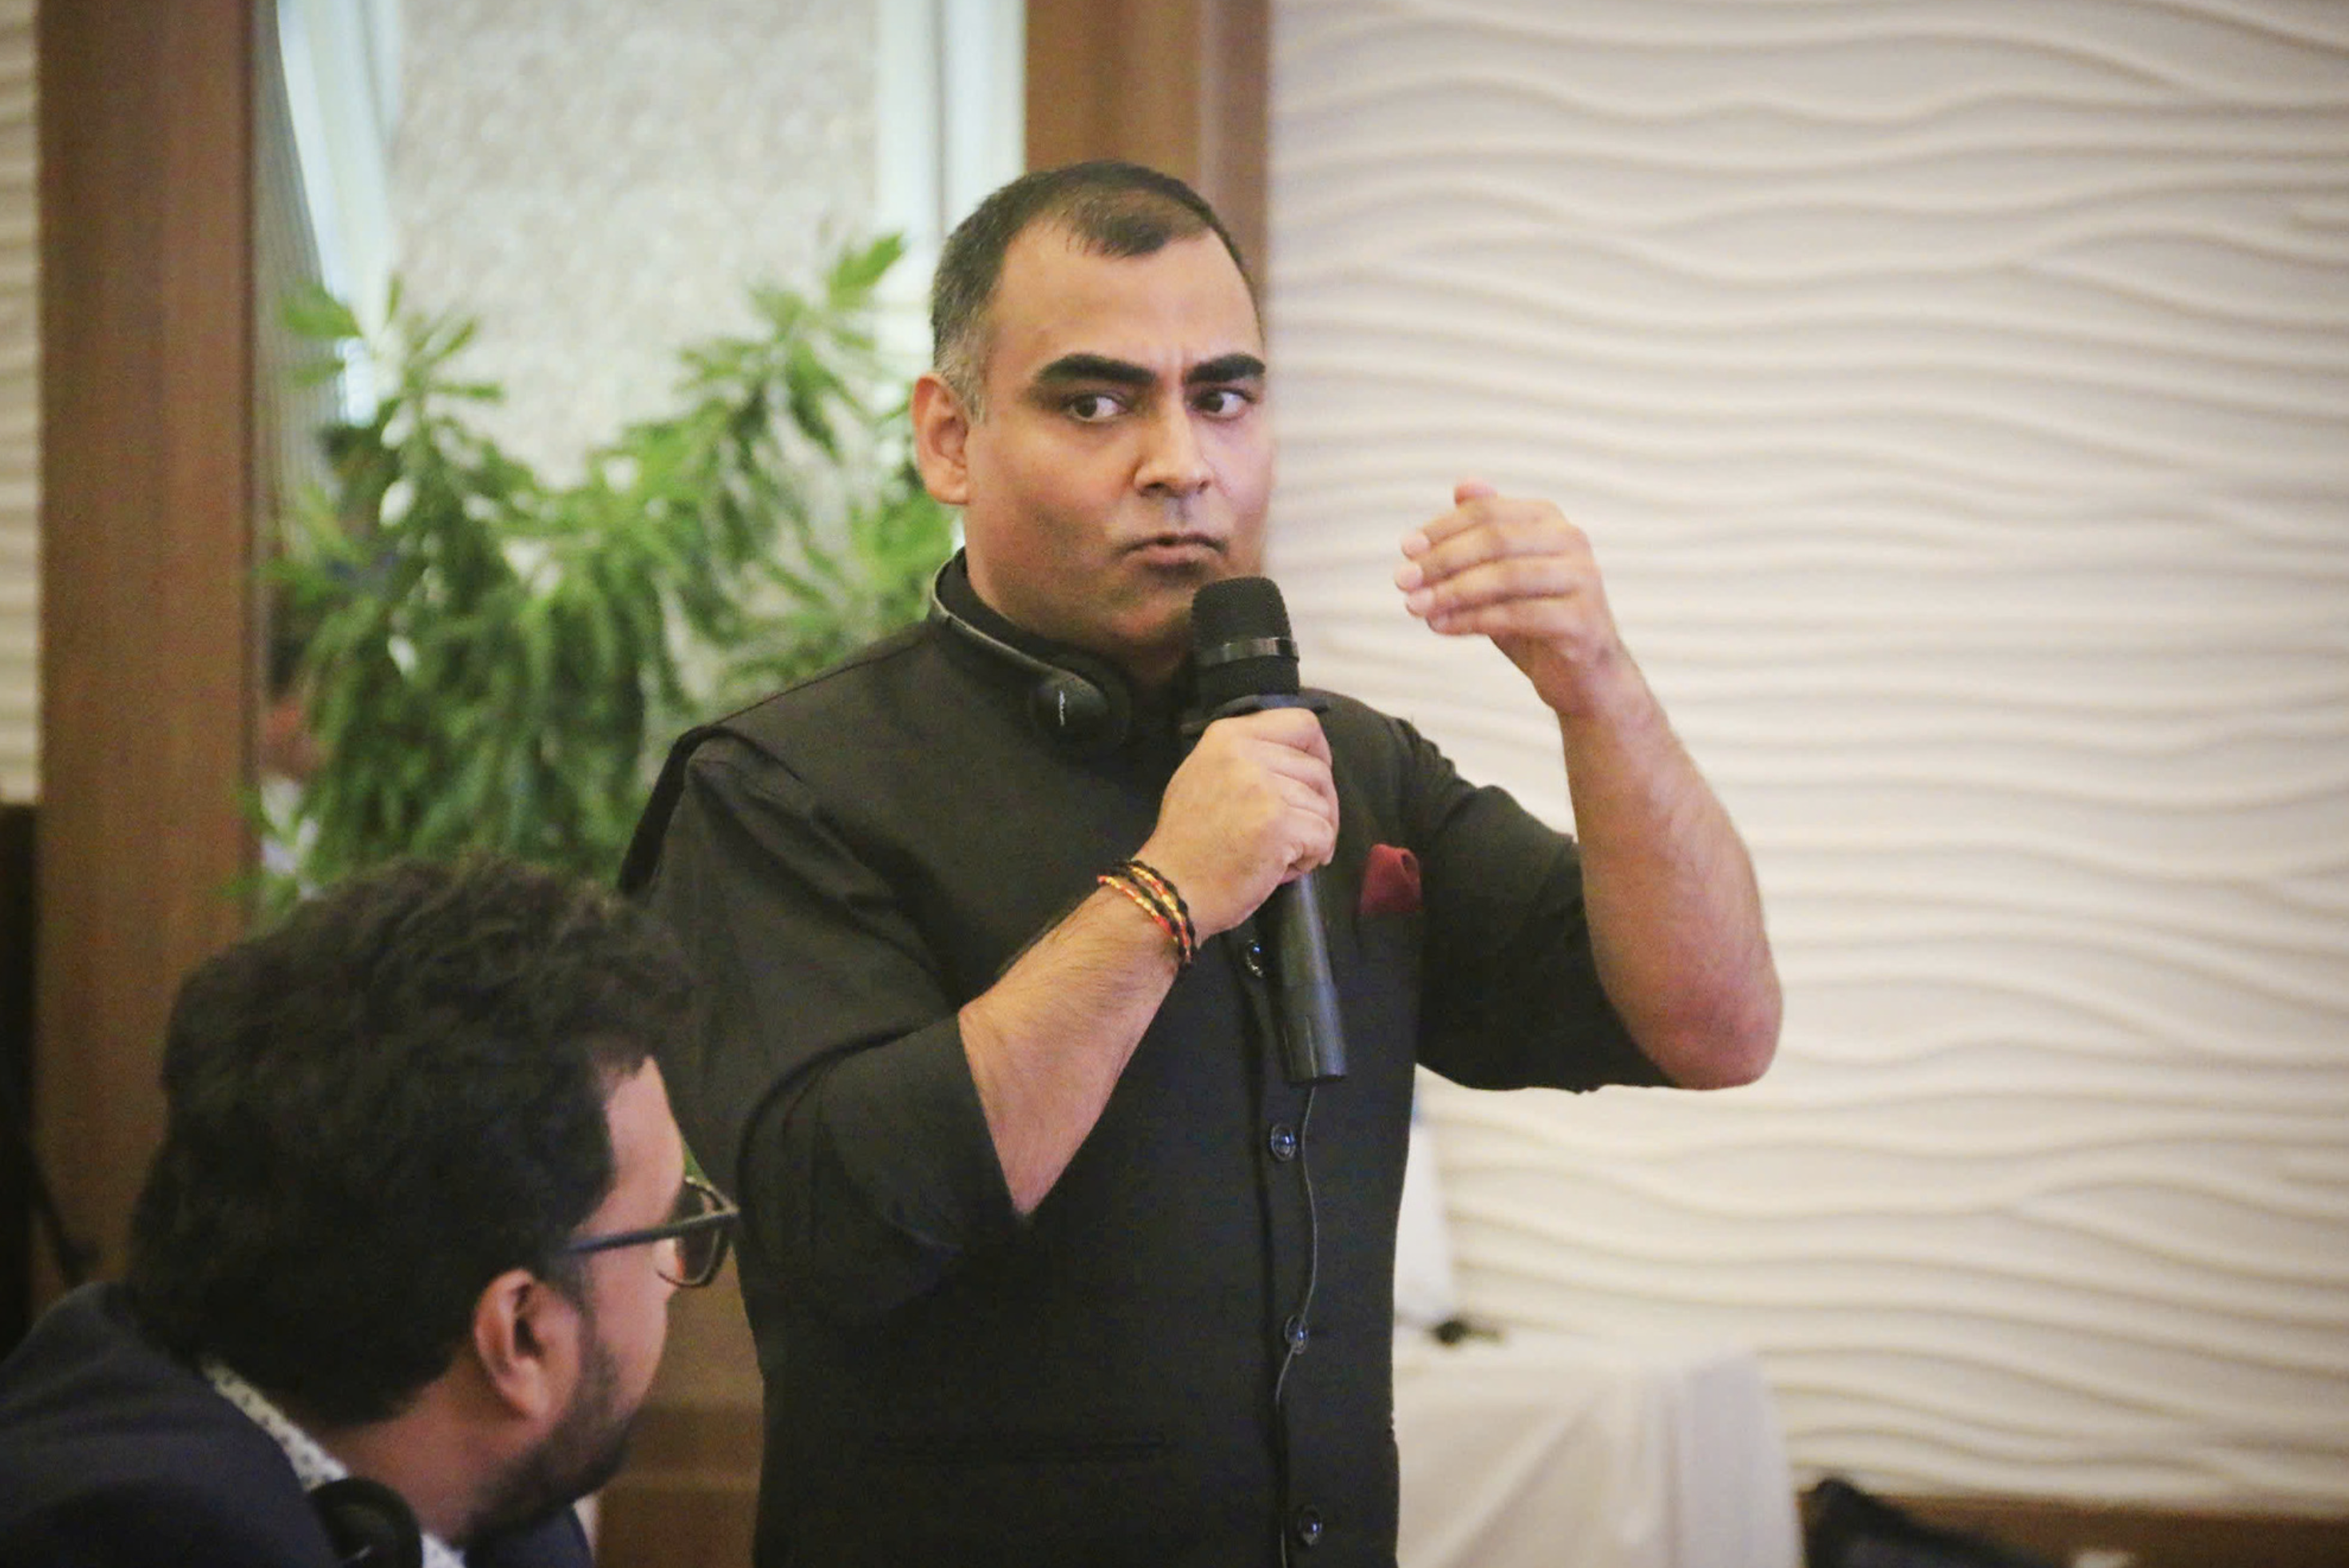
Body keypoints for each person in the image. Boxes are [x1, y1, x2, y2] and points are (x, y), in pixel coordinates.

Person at [622, 160, 1781, 1566]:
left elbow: (1714, 1025)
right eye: (1095, 401)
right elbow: (845, 1226)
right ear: (949, 438)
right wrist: (1165, 895)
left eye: (1222, 396)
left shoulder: (1348, 765)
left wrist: (1597, 685)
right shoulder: (784, 788)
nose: (1182, 460)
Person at [0, 857, 733, 1568]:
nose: (673, 1275)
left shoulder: (482, 1510)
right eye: (671, 1233)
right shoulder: (127, 1537)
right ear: (520, 1333)